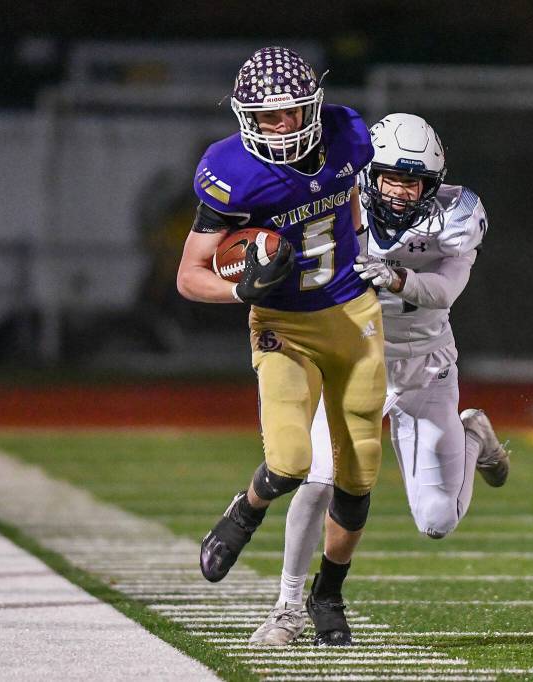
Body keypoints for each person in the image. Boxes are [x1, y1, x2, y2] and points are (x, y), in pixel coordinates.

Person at [248, 113, 512, 646]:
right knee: (319, 478)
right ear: (370, 174)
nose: (398, 190)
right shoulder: (340, 200)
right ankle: (286, 608)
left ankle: (472, 432)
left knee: (437, 522)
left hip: (426, 367)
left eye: (412, 180)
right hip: (354, 356)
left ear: (431, 183)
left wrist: (396, 276)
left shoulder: (457, 214)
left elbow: (445, 290)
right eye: (390, 176)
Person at [176, 46, 385, 646]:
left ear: (313, 107)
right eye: (269, 117)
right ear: (247, 117)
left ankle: (329, 596)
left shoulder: (347, 134)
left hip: (353, 312)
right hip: (283, 323)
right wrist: (243, 289)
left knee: (359, 470)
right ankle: (244, 511)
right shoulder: (231, 169)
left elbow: (345, 194)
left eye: (294, 113)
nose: (284, 126)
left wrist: (362, 246)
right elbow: (190, 276)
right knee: (292, 461)